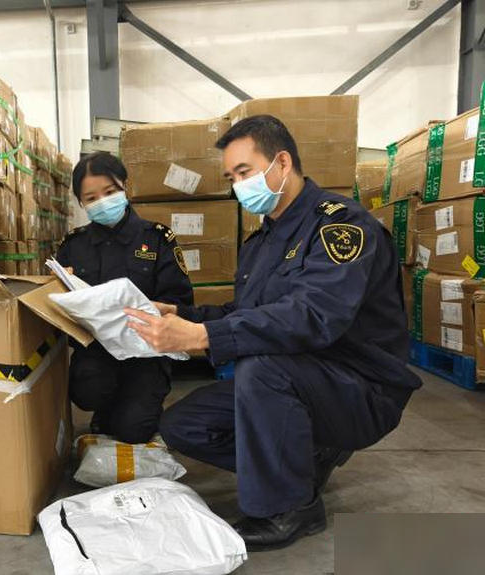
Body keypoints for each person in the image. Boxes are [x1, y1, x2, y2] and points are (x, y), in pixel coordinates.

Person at [124, 115, 422, 550]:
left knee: (261, 368)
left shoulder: (341, 226)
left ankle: (290, 508)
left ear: (282, 163)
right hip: (297, 379)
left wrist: (203, 337)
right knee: (185, 424)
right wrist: (183, 315)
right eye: (231, 177)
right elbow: (246, 312)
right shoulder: (262, 242)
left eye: (245, 172)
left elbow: (313, 316)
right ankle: (305, 459)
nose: (238, 186)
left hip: (359, 386)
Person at [56, 152, 193, 445]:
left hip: (145, 353)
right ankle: (106, 408)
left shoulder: (157, 238)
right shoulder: (73, 245)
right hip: (97, 350)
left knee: (134, 430)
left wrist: (158, 312)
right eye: (91, 198)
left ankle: (134, 407)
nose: (102, 202)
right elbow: (58, 307)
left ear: (125, 187)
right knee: (87, 391)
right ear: (81, 203)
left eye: (109, 192)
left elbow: (181, 299)